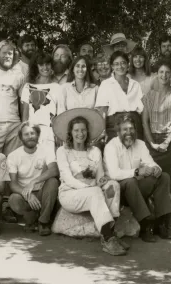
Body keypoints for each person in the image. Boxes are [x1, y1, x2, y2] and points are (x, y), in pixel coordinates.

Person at [54, 108, 127, 256]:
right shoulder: (63, 151)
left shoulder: (95, 151)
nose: (80, 134)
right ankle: (107, 239)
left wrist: (104, 182)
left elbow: (99, 177)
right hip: (70, 194)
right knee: (94, 192)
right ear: (70, 132)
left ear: (88, 132)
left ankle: (110, 233)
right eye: (76, 130)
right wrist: (90, 187)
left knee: (114, 186)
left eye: (83, 130)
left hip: (93, 192)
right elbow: (67, 178)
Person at [104, 114, 171, 242]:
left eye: (131, 129)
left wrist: (156, 168)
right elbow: (114, 174)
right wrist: (137, 171)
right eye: (125, 129)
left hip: (136, 189)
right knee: (131, 182)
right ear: (118, 131)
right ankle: (145, 226)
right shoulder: (111, 147)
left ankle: (160, 223)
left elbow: (150, 162)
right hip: (118, 193)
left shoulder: (140, 144)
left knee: (164, 177)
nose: (129, 132)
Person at [142, 59, 171, 228]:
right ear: (156, 74)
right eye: (161, 72)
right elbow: (144, 121)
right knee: (153, 177)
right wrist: (152, 143)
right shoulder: (149, 95)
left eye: (167, 72)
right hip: (153, 141)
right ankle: (154, 214)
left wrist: (168, 141)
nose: (164, 75)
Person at [7, 122, 59, 236]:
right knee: (13, 199)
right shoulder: (13, 156)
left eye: (33, 133)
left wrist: (34, 182)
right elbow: (13, 184)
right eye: (26, 134)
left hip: (42, 192)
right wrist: (27, 194)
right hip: (24, 194)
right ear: (21, 138)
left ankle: (43, 221)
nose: (30, 136)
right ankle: (31, 220)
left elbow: (54, 170)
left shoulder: (46, 150)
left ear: (38, 135)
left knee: (53, 182)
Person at [95, 50, 144, 142]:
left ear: (128, 64)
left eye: (123, 63)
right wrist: (103, 130)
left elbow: (141, 110)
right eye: (116, 64)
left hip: (135, 125)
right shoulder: (106, 84)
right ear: (112, 66)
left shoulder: (135, 84)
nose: (120, 67)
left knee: (136, 154)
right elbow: (103, 110)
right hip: (114, 126)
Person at [21, 52, 61, 149]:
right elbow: (25, 115)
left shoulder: (57, 87)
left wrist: (59, 134)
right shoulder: (27, 87)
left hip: (50, 132)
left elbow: (59, 114)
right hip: (32, 131)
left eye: (47, 64)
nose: (45, 67)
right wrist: (24, 132)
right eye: (41, 65)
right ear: (36, 66)